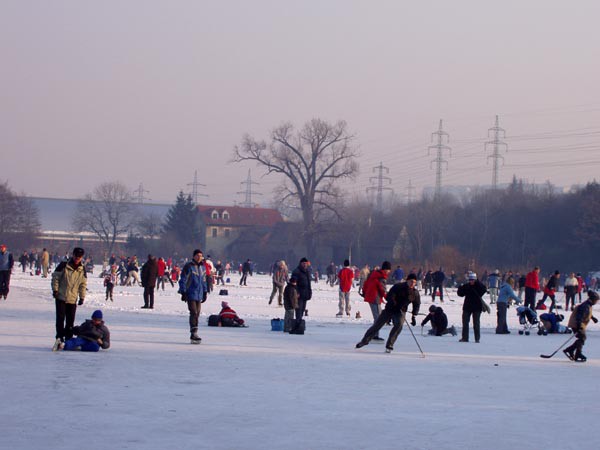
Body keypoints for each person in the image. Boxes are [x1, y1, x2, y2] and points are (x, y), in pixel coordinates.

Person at [356, 273, 420, 353]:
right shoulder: (398, 286)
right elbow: (390, 295)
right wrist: (393, 302)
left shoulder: (415, 292)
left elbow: (416, 304)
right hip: (390, 308)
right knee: (377, 325)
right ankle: (364, 341)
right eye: (411, 281)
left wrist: (414, 315)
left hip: (400, 311)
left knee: (399, 325)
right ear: (407, 281)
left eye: (414, 282)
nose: (412, 284)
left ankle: (389, 345)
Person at [51, 247, 87, 351]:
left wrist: (82, 296)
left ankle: (68, 339)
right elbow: (55, 277)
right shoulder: (64, 265)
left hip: (72, 298)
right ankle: (59, 338)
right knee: (60, 319)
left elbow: (83, 284)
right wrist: (55, 290)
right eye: (76, 256)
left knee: (70, 321)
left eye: (79, 257)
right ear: (73, 255)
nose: (77, 258)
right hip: (61, 297)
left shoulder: (82, 269)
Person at [178, 249, 208, 343]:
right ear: (194, 256)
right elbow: (183, 279)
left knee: (197, 314)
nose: (199, 257)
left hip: (199, 294)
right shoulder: (189, 266)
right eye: (197, 255)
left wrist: (205, 292)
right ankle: (194, 333)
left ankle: (194, 332)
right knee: (193, 312)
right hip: (190, 293)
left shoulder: (202, 267)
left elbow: (203, 280)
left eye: (201, 256)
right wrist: (183, 292)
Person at [563, 290, 599, 362]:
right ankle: (575, 352)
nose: (597, 302)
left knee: (581, 338)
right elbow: (580, 316)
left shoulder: (588, 304)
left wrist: (592, 318)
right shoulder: (586, 306)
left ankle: (571, 351)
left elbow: (586, 313)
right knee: (582, 338)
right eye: (596, 300)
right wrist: (579, 326)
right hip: (577, 324)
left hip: (578, 324)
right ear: (593, 299)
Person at [360, 261, 392, 341]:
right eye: (388, 270)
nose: (389, 272)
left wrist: (364, 292)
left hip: (371, 297)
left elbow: (366, 283)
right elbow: (382, 290)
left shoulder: (373, 274)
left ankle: (373, 334)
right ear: (385, 269)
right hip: (375, 298)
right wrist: (389, 298)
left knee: (378, 317)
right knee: (378, 318)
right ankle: (373, 335)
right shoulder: (381, 277)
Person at [457, 272, 487, 343]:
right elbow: (460, 294)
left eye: (472, 280)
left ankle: (477, 338)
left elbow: (484, 290)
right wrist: (460, 288)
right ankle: (465, 338)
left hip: (477, 307)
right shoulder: (467, 286)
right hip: (467, 307)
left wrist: (478, 283)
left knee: (476, 323)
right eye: (470, 280)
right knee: (465, 323)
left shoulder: (479, 286)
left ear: (475, 280)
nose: (471, 281)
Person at [290, 257, 312, 334]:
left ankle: (299, 326)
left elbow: (309, 284)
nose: (305, 265)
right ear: (300, 263)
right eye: (303, 263)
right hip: (299, 295)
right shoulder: (297, 271)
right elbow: (293, 283)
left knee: (302, 310)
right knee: (298, 311)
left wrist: (309, 292)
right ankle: (297, 326)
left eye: (306, 263)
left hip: (305, 295)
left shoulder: (307, 272)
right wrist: (296, 293)